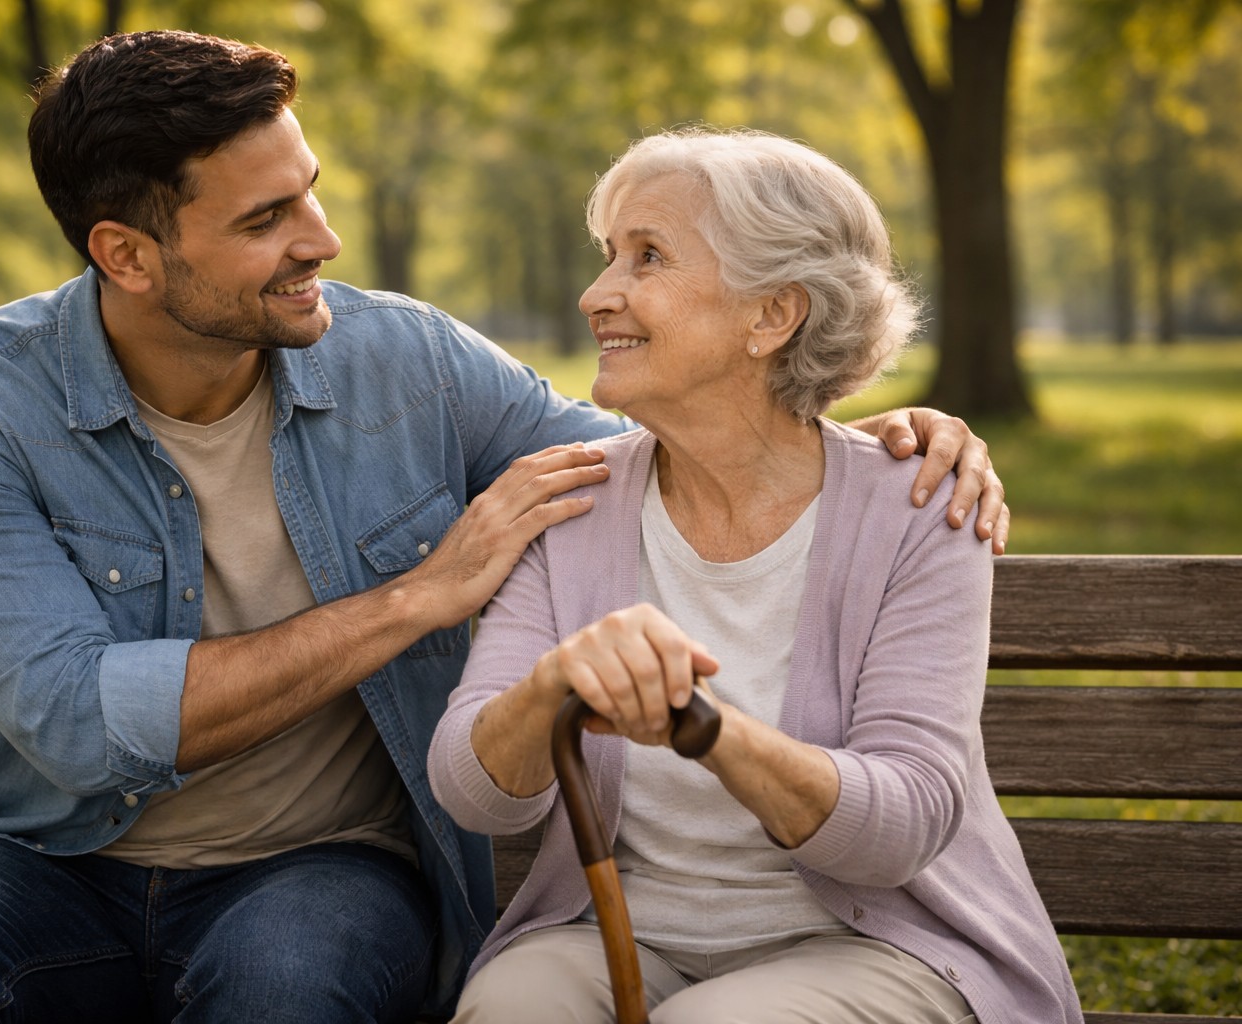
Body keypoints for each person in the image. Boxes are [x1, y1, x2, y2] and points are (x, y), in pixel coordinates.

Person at [0, 32, 1006, 1024]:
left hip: (320, 860)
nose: (320, 238)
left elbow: (668, 434)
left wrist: (859, 420)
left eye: (310, 190)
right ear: (126, 253)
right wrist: (417, 595)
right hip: (50, 851)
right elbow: (76, 723)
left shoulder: (407, 361)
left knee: (291, 986)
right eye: (268, 217)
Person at [429, 127, 1076, 1024]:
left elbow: (904, 825)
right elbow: (473, 795)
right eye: (609, 256)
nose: (595, 294)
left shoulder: (919, 507)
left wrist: (702, 725)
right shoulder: (571, 498)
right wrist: (553, 686)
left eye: (646, 257)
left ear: (772, 315)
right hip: (623, 937)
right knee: (509, 1007)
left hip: (885, 944)